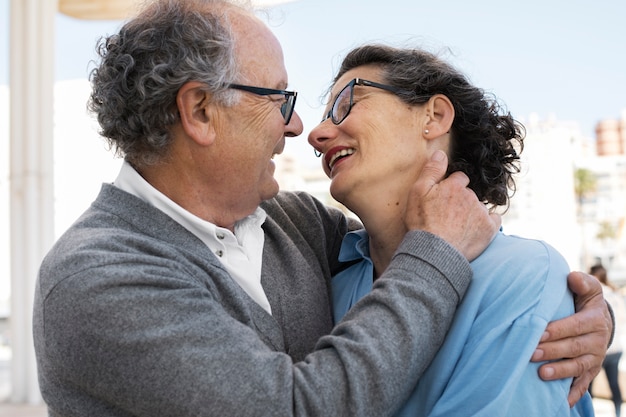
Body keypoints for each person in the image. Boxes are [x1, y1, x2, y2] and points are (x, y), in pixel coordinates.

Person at [32, 0, 610, 416]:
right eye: (279, 99)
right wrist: (435, 257)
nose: (300, 127)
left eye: (341, 104)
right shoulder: (98, 276)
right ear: (201, 112)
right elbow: (298, 408)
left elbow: (453, 240)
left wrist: (582, 309)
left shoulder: (300, 227)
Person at [307, 44, 598, 416]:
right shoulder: (328, 279)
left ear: (435, 115)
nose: (317, 134)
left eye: (347, 102)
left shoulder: (523, 272)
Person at [589, 264, 625, 417]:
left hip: (599, 348)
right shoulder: (616, 294)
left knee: (586, 385)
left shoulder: (593, 294)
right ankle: (618, 413)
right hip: (616, 348)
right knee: (614, 384)